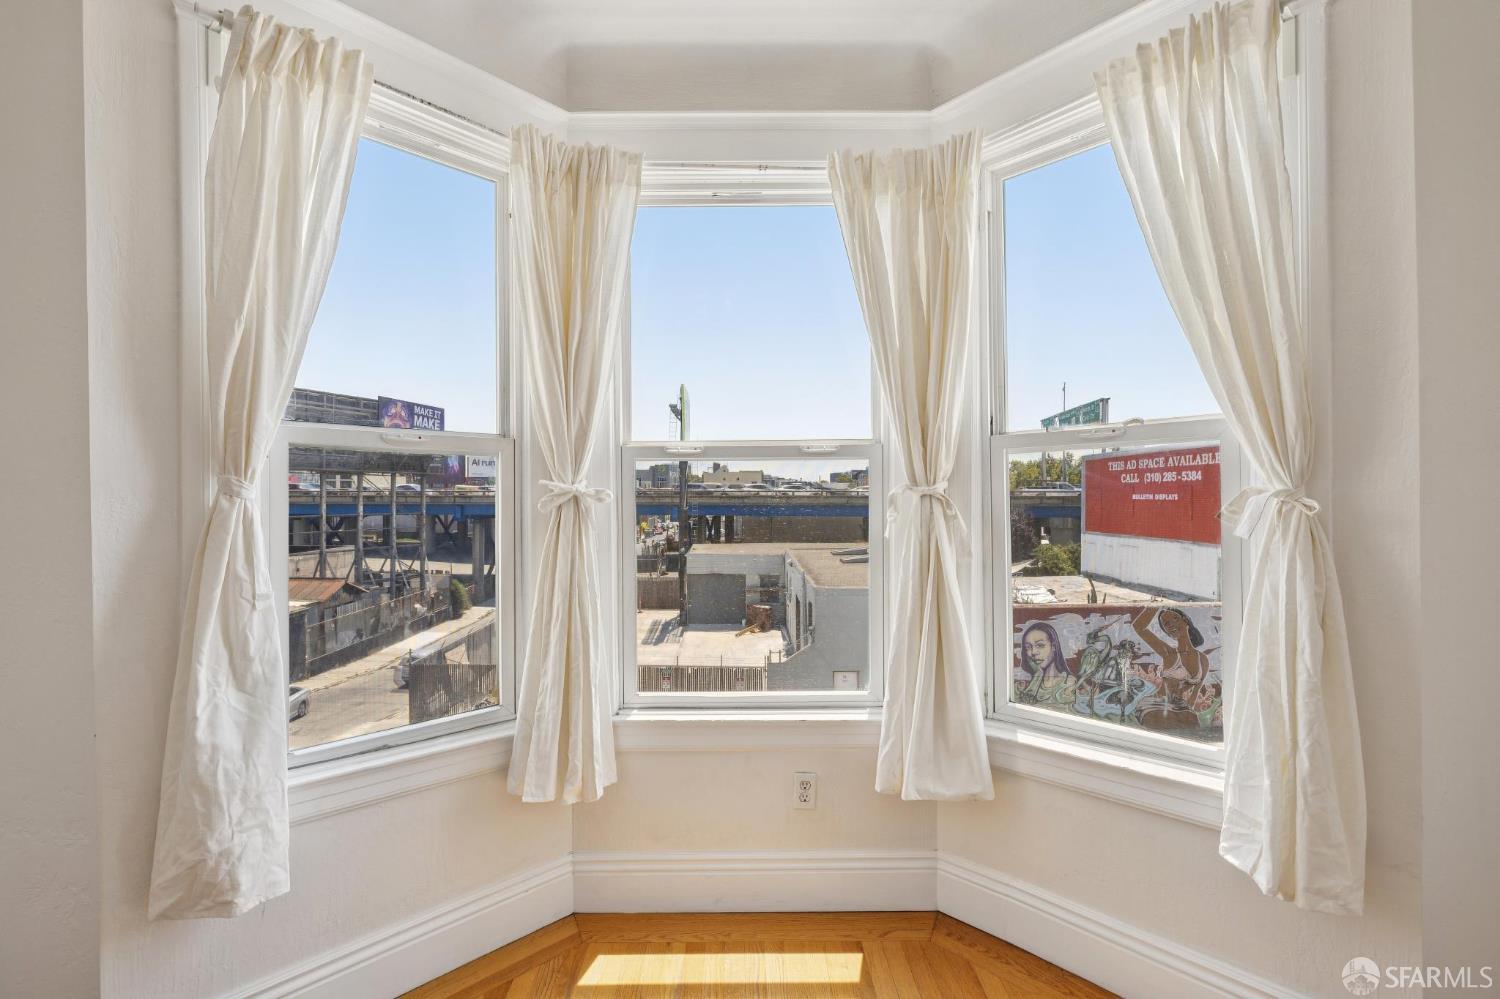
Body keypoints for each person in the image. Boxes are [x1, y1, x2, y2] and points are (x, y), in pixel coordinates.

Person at [1131, 607, 1211, 732]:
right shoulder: (1169, 653)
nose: (1171, 624)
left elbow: (1194, 695)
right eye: (1166, 623)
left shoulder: (1203, 659)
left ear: (1185, 620)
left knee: (1193, 725)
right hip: (1156, 704)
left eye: (1175, 618)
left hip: (1181, 707)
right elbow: (1139, 627)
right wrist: (1158, 602)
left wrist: (1187, 711)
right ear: (1167, 632)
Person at [1017, 620, 1075, 708]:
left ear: (1054, 647)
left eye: (1040, 645)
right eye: (1028, 647)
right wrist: (1038, 674)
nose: (1033, 652)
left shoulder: (1070, 684)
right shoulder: (1022, 687)